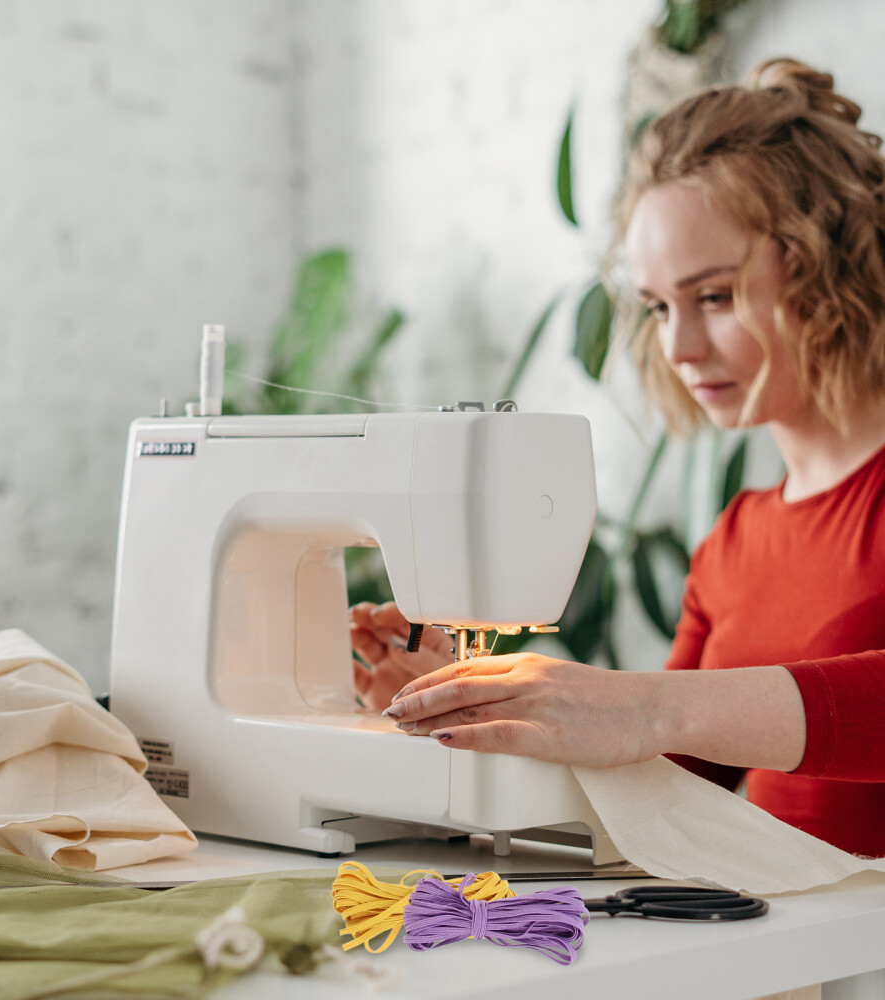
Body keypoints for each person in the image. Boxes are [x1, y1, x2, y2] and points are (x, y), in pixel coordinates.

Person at [350, 57, 885, 858]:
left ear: (828, 270)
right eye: (659, 307)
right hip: (799, 926)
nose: (680, 346)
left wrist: (649, 705)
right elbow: (664, 793)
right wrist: (463, 714)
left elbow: (663, 722)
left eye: (714, 296)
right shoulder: (734, 544)